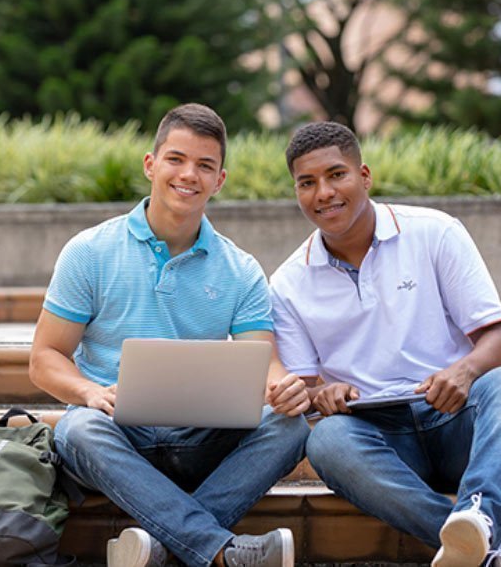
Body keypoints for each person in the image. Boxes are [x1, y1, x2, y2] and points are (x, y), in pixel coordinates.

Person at [269, 121, 501, 567]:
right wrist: (321, 395)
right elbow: (304, 393)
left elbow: (497, 340)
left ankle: (480, 521)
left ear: (364, 176)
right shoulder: (289, 283)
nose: (324, 192)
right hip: (380, 438)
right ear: (296, 193)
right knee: (326, 440)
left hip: (453, 416)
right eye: (306, 183)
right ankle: (493, 552)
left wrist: (463, 371)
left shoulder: (434, 232)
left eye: (336, 175)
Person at [29, 103, 311, 567]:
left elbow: (265, 363)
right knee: (77, 428)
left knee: (290, 425)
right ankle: (217, 550)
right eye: (176, 159)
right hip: (115, 435)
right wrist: (89, 391)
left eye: (205, 165)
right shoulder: (89, 251)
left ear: (219, 180)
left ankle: (160, 548)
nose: (189, 175)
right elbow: (44, 359)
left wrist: (282, 389)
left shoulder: (240, 269)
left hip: (200, 441)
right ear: (150, 165)